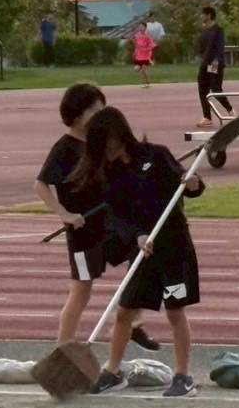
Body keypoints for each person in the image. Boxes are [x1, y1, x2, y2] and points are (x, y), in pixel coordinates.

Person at [73, 107, 204, 398]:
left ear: (118, 136)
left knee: (174, 311)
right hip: (142, 249)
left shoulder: (156, 155)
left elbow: (185, 186)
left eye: (104, 143)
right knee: (124, 312)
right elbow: (116, 215)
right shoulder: (109, 174)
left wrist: (194, 185)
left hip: (173, 245)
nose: (102, 152)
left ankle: (183, 376)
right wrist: (137, 235)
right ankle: (112, 371)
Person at [34, 83, 159, 351]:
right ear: (75, 113)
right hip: (83, 233)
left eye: (102, 109)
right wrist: (65, 215)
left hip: (111, 224)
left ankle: (132, 321)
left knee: (141, 256)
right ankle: (62, 348)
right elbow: (40, 185)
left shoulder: (100, 145)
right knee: (81, 293)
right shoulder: (64, 149)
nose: (99, 115)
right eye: (93, 110)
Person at [195, 6, 232, 129]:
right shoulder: (204, 31)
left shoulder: (218, 30)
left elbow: (219, 50)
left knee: (215, 89)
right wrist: (203, 60)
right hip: (205, 64)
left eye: (203, 14)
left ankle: (230, 111)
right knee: (202, 90)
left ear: (209, 15)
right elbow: (201, 49)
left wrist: (214, 64)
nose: (201, 17)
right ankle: (207, 118)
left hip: (214, 63)